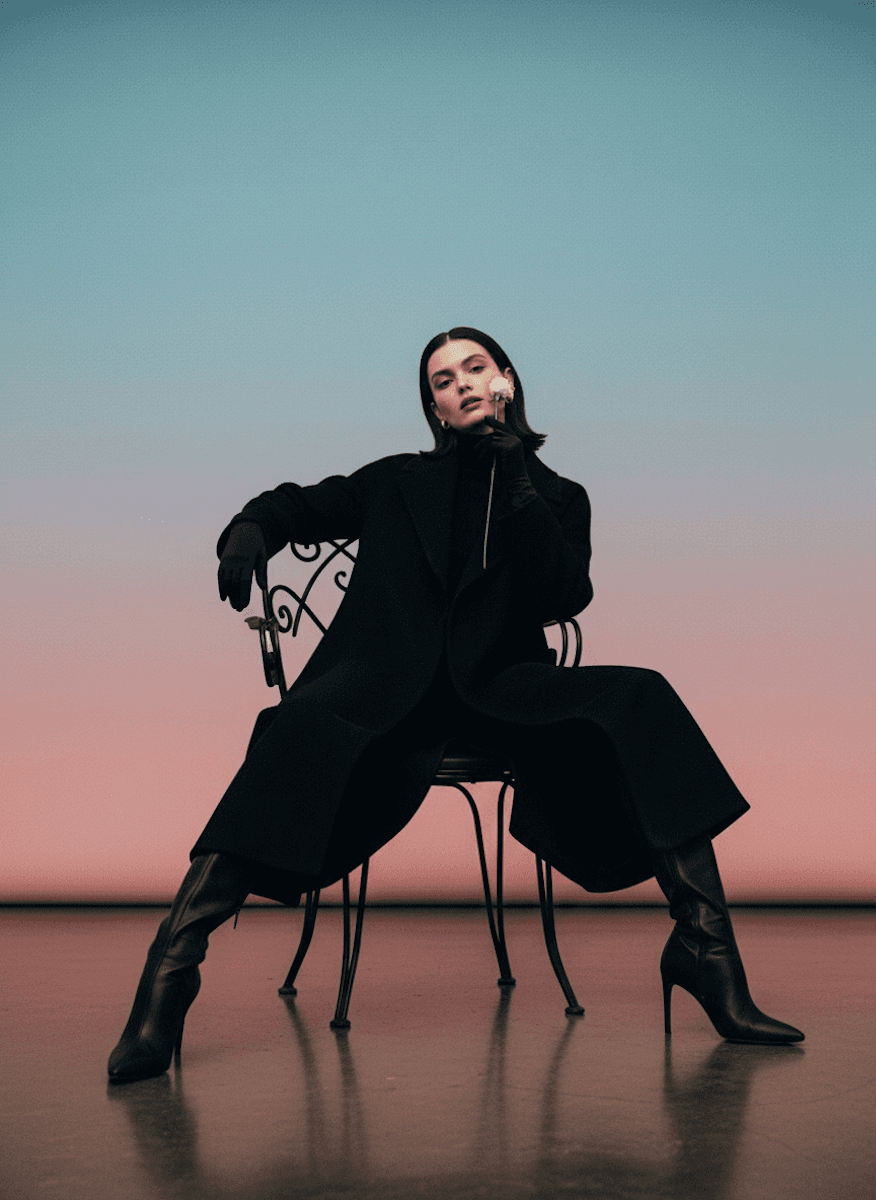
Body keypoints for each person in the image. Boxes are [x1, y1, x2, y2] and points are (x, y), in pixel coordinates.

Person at [108, 327, 803, 1083]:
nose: (462, 384)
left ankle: (705, 951)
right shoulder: (395, 480)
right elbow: (298, 507)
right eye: (443, 380)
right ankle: (170, 976)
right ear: (435, 408)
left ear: (507, 379)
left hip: (500, 694)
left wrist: (520, 484)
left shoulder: (559, 495)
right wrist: (249, 530)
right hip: (378, 695)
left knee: (642, 692)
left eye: (475, 368)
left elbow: (563, 595)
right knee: (296, 726)